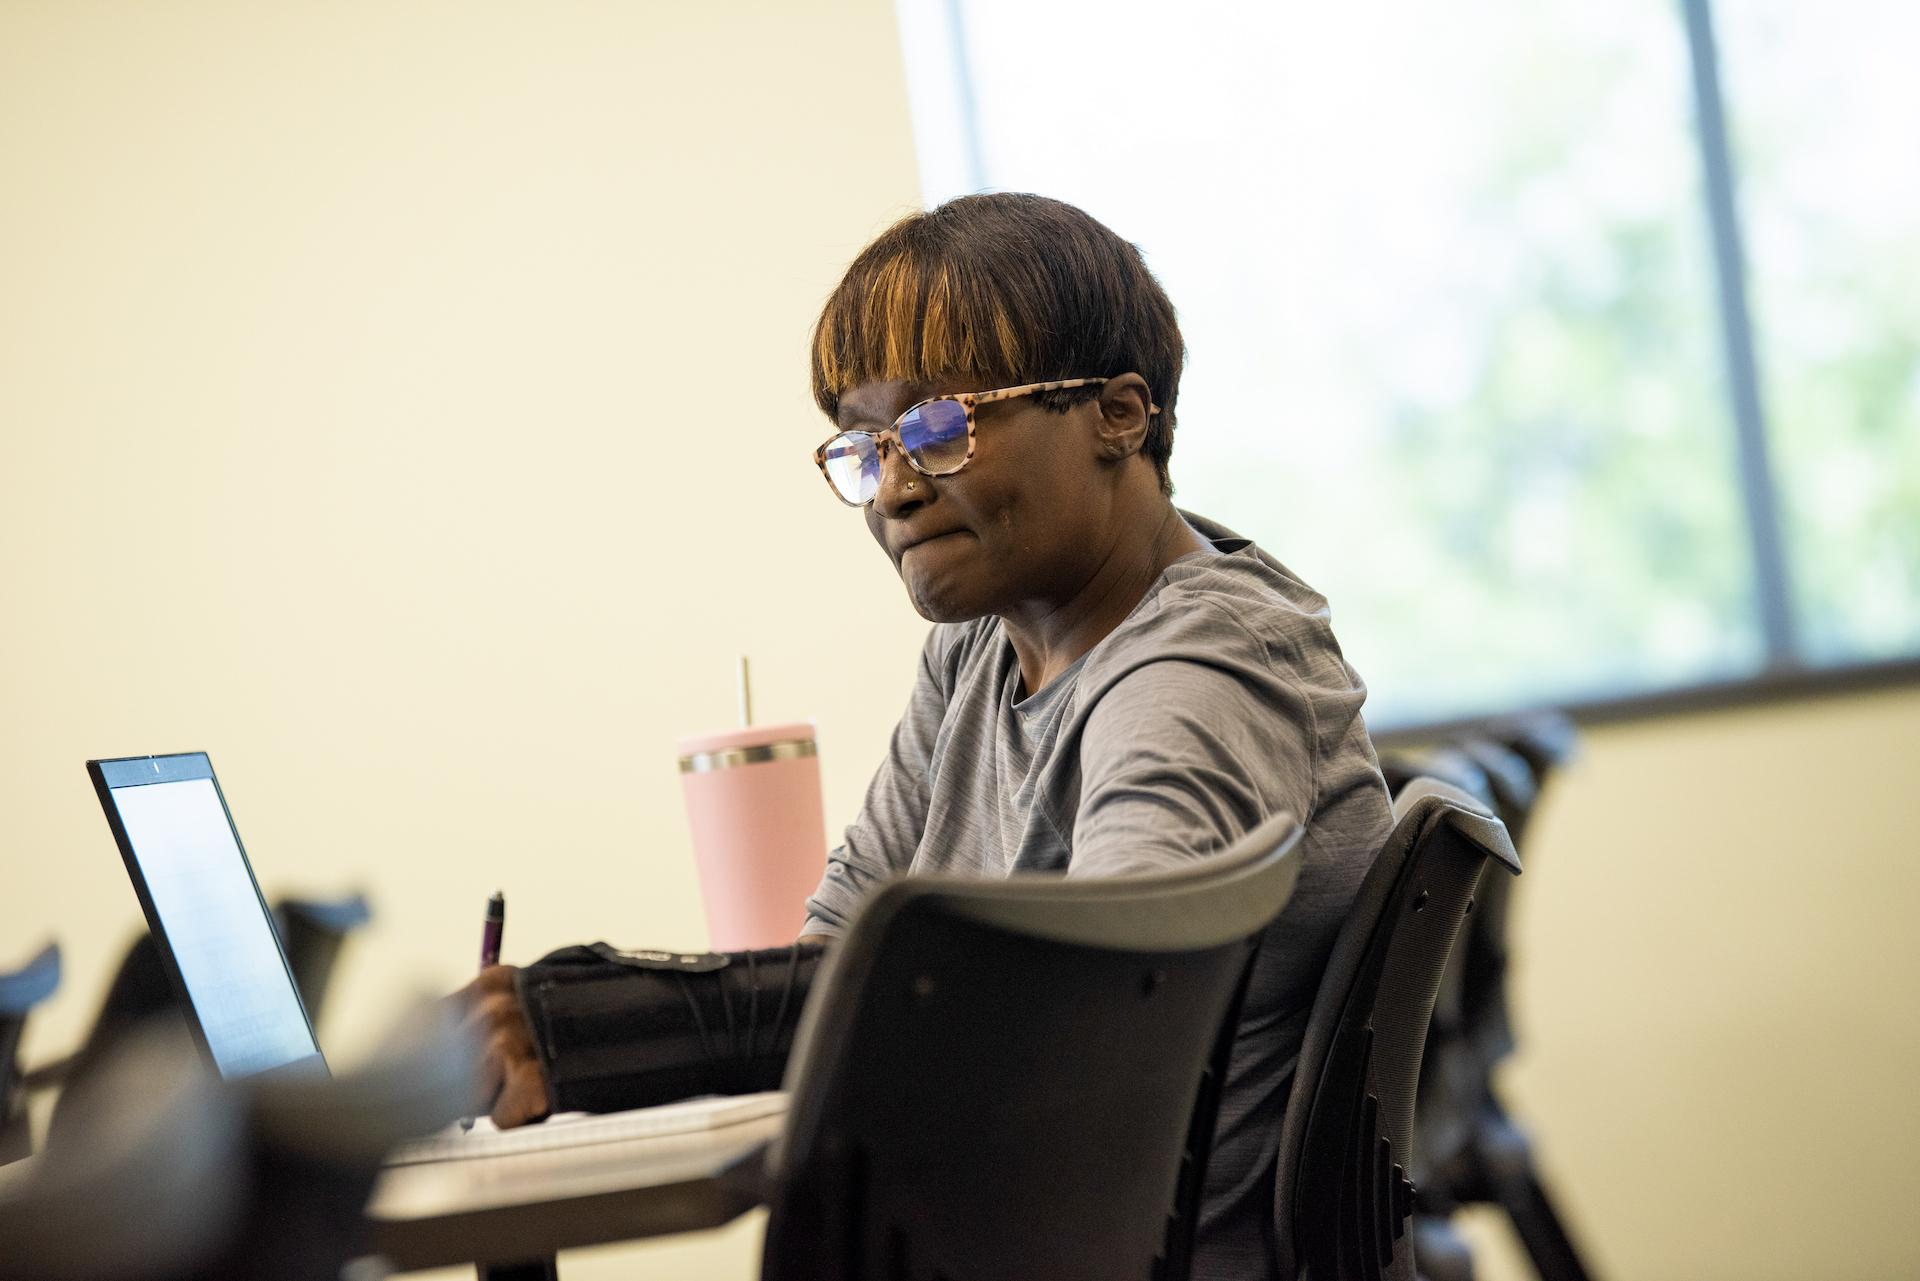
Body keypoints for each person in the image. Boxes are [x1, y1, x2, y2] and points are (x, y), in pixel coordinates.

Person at [461, 192, 1392, 1279]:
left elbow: (1102, 997)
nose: (895, 488)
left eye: (942, 425)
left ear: (1119, 414)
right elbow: (837, 959)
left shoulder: (1201, 659)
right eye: (865, 444)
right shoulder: (979, 655)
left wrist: (602, 1029)